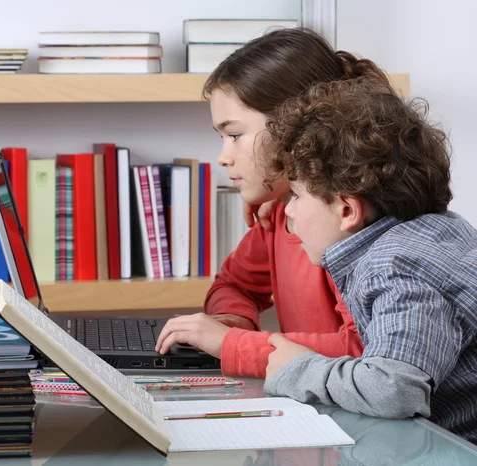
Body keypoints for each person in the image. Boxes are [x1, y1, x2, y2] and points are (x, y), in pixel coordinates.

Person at [156, 28, 389, 377]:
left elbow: (365, 352)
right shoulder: (278, 214)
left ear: (295, 127)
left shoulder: (348, 222)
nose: (223, 156)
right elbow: (234, 285)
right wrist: (230, 322)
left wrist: (232, 345)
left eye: (234, 135)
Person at [261, 77, 477, 443]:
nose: (289, 212)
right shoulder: (445, 231)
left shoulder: (394, 267)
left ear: (346, 209)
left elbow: (395, 389)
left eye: (295, 195)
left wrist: (299, 370)